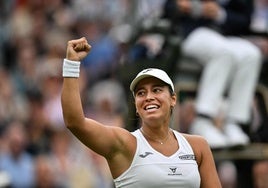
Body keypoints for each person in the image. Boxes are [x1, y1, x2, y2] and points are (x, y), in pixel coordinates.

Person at [61, 37, 222, 187]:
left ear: (173, 99)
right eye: (141, 93)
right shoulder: (124, 144)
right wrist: (71, 64)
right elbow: (75, 122)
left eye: (157, 90)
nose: (149, 97)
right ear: (136, 106)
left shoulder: (198, 147)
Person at [163, 0, 263, 149]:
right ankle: (202, 121)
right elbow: (169, 7)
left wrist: (220, 14)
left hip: (226, 34)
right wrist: (185, 7)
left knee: (252, 54)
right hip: (192, 32)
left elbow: (244, 19)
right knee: (224, 52)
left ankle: (233, 122)